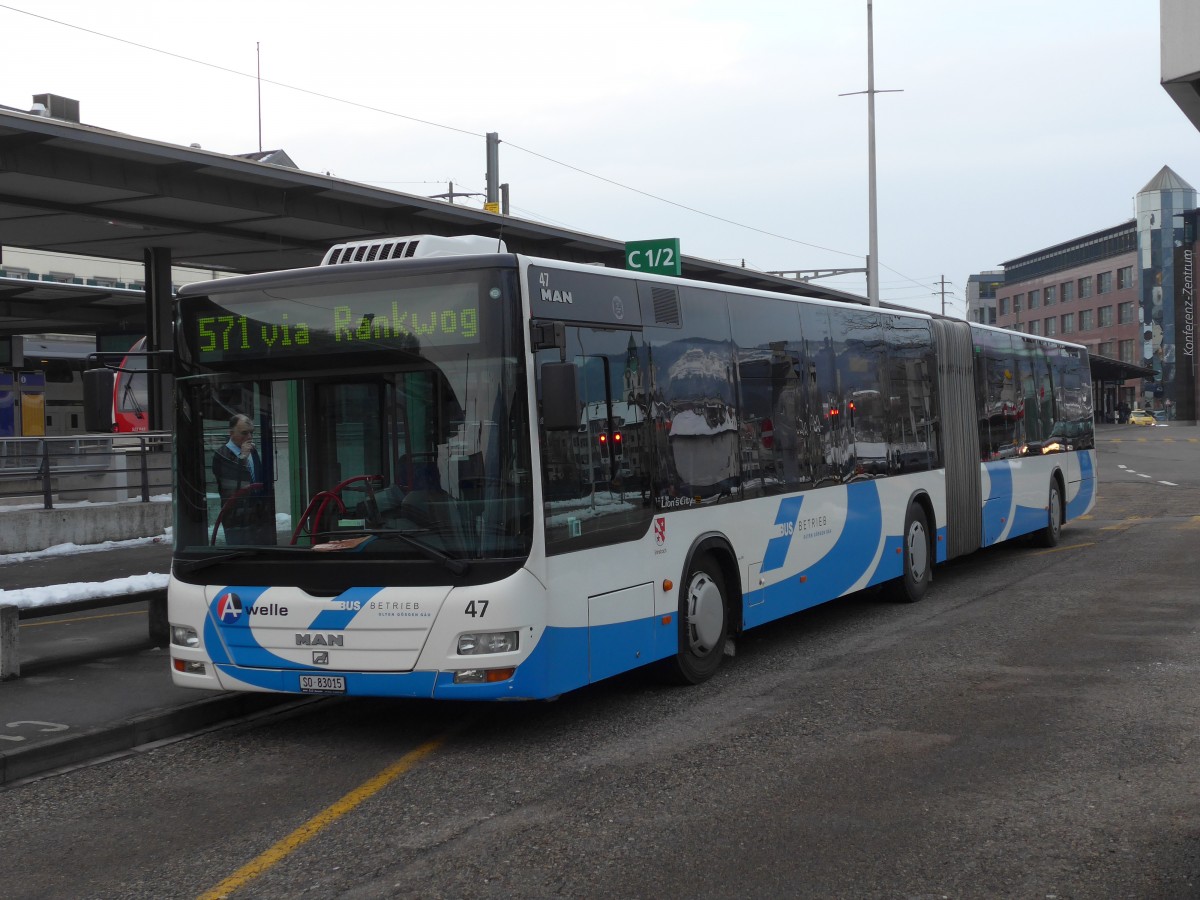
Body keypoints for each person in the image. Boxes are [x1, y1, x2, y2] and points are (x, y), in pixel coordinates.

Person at [212, 414, 274, 544]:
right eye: (244, 433)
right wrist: (242, 458)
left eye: (251, 432)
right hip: (236, 515)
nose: (249, 437)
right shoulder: (221, 455)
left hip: (256, 512)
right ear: (231, 433)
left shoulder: (253, 451)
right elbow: (231, 483)